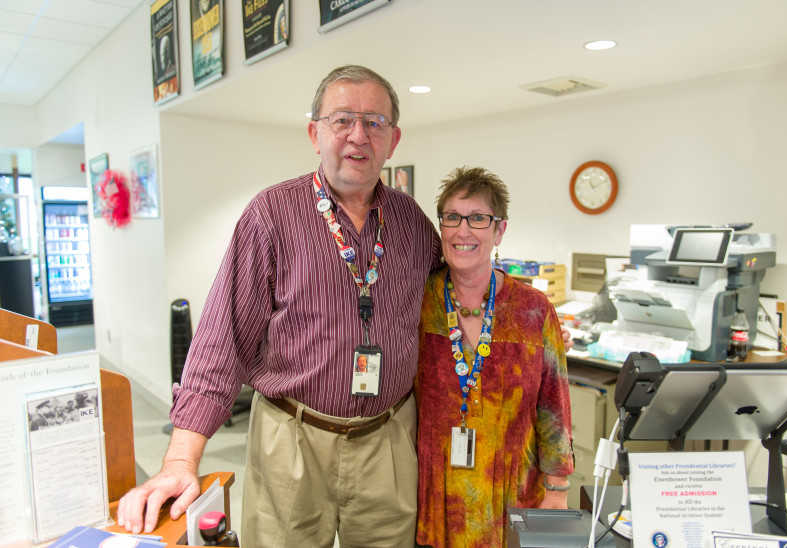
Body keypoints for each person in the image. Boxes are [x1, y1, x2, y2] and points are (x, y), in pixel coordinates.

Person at [117, 65, 442, 547]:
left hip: (388, 440)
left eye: (375, 122)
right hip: (292, 439)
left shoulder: (413, 223)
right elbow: (219, 343)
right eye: (342, 120)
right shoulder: (271, 216)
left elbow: (449, 310)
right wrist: (179, 463)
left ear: (394, 141)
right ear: (315, 133)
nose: (359, 135)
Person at [414, 166, 574, 547]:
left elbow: (554, 406)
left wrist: (558, 487)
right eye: (452, 217)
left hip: (511, 491)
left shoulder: (533, 310)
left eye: (478, 218)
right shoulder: (418, 300)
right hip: (435, 493)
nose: (462, 230)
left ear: (499, 230)